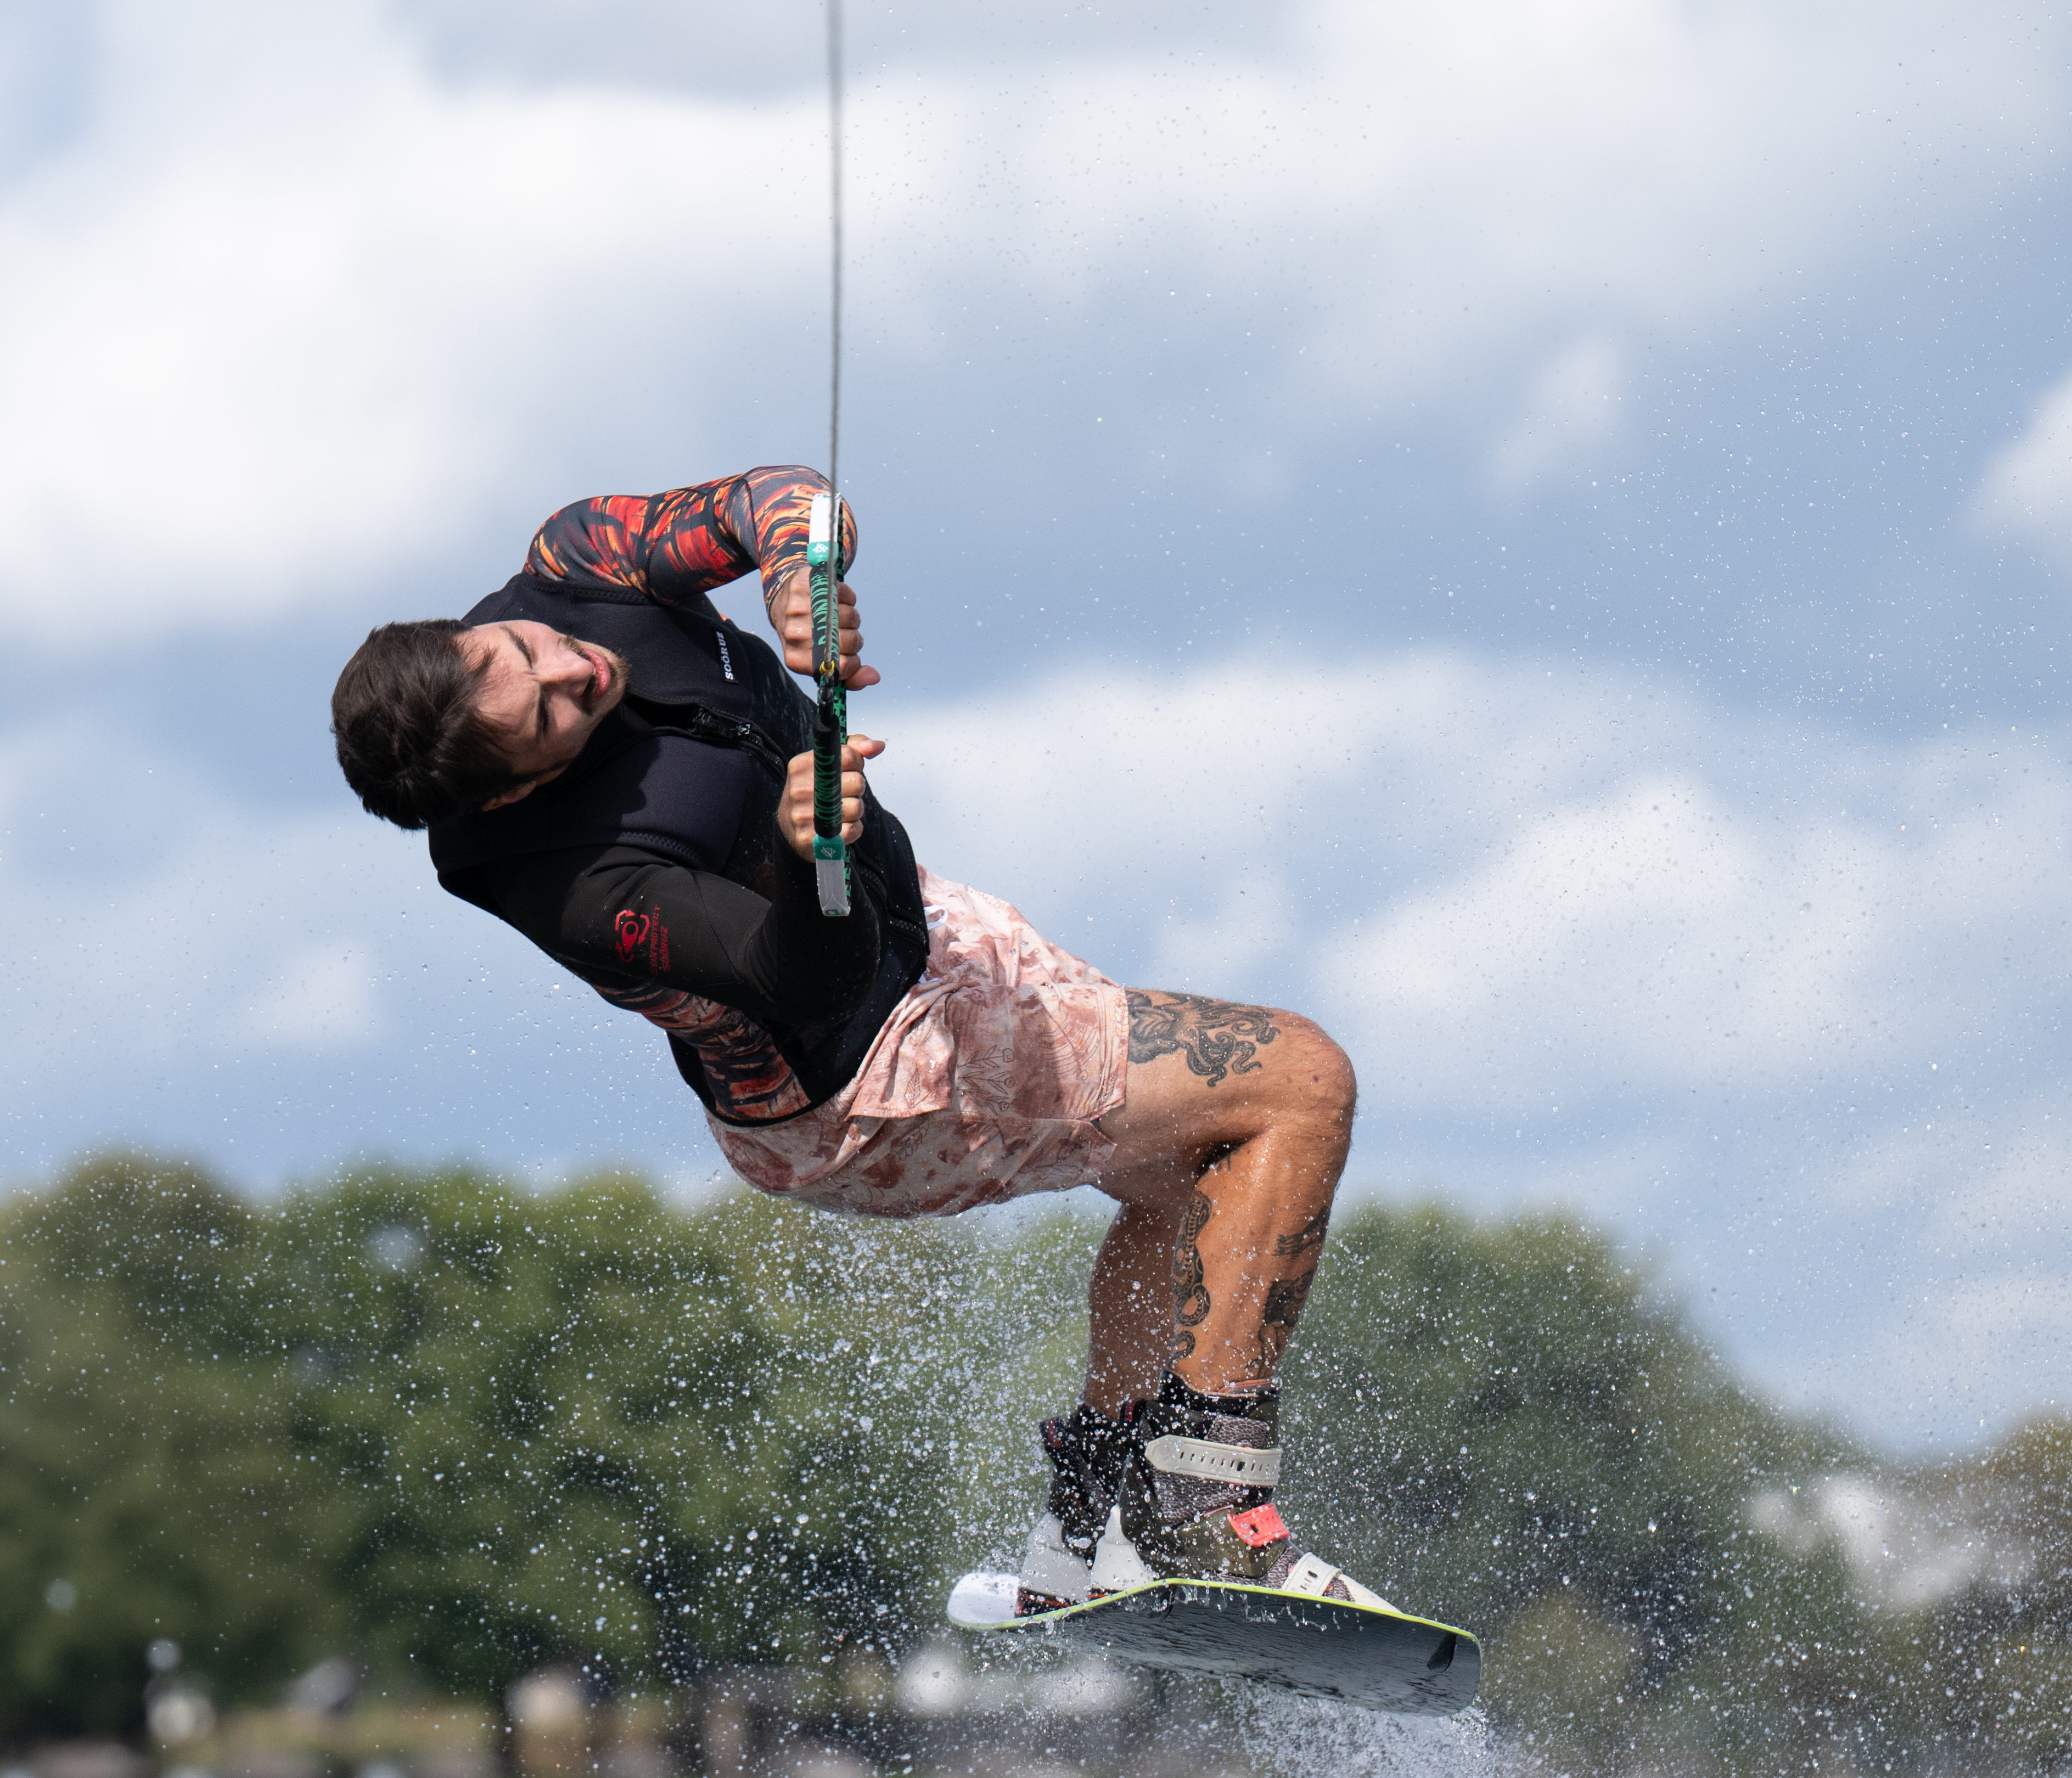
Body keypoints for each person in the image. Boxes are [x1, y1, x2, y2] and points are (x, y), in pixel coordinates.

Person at [330, 466, 1390, 1613]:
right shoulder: (571, 887)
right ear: (502, 798)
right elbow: (806, 973)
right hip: (878, 1082)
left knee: (1201, 1174)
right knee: (1298, 1083)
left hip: (935, 944)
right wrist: (802, 856)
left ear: (465, 631)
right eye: (545, 719)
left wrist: (799, 572)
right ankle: (1205, 1516)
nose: (571, 673)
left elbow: (779, 496)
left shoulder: (573, 561)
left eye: (518, 655)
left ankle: (1091, 1529)